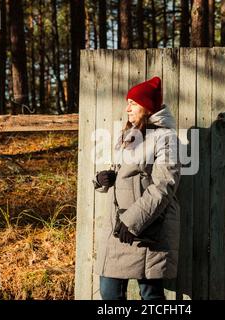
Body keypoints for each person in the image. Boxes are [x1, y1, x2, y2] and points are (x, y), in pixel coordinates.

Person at [92, 76, 181, 300]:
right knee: (109, 291)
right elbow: (122, 173)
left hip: (146, 227)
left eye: (133, 103)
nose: (127, 108)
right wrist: (103, 179)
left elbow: (164, 186)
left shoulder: (166, 138)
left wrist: (132, 222)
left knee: (150, 294)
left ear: (147, 107)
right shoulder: (128, 135)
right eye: (128, 102)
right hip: (119, 227)